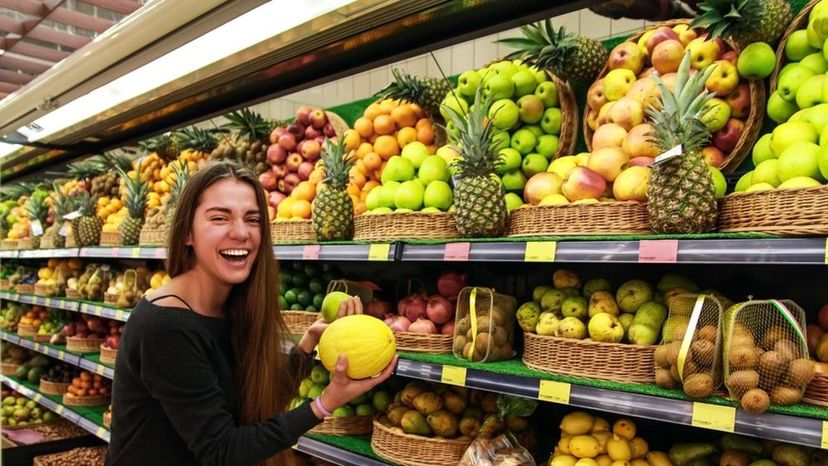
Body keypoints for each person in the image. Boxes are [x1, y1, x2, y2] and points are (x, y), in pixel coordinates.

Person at [106, 161, 397, 466]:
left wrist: (310, 340)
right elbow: (223, 451)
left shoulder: (229, 306)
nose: (241, 232)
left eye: (253, 219)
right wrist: (324, 405)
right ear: (187, 233)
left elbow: (253, 398)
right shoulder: (166, 326)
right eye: (220, 218)